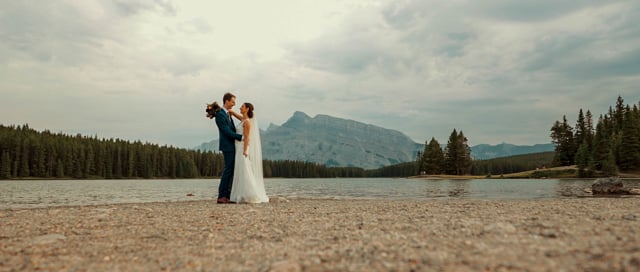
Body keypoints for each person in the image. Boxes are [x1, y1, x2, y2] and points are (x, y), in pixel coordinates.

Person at [228, 102, 269, 203]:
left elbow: (246, 138)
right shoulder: (244, 120)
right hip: (238, 147)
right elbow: (240, 117)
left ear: (246, 109)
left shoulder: (247, 122)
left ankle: (249, 194)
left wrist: (245, 151)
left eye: (242, 106)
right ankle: (240, 193)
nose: (240, 108)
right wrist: (231, 112)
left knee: (244, 169)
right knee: (239, 169)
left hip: (242, 148)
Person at [212, 93, 243, 204]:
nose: (234, 104)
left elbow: (232, 129)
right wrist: (241, 137)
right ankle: (222, 196)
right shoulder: (220, 114)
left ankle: (228, 195)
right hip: (227, 146)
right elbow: (226, 131)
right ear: (226, 101)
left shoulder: (228, 114)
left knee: (231, 170)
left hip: (232, 145)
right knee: (228, 170)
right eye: (232, 101)